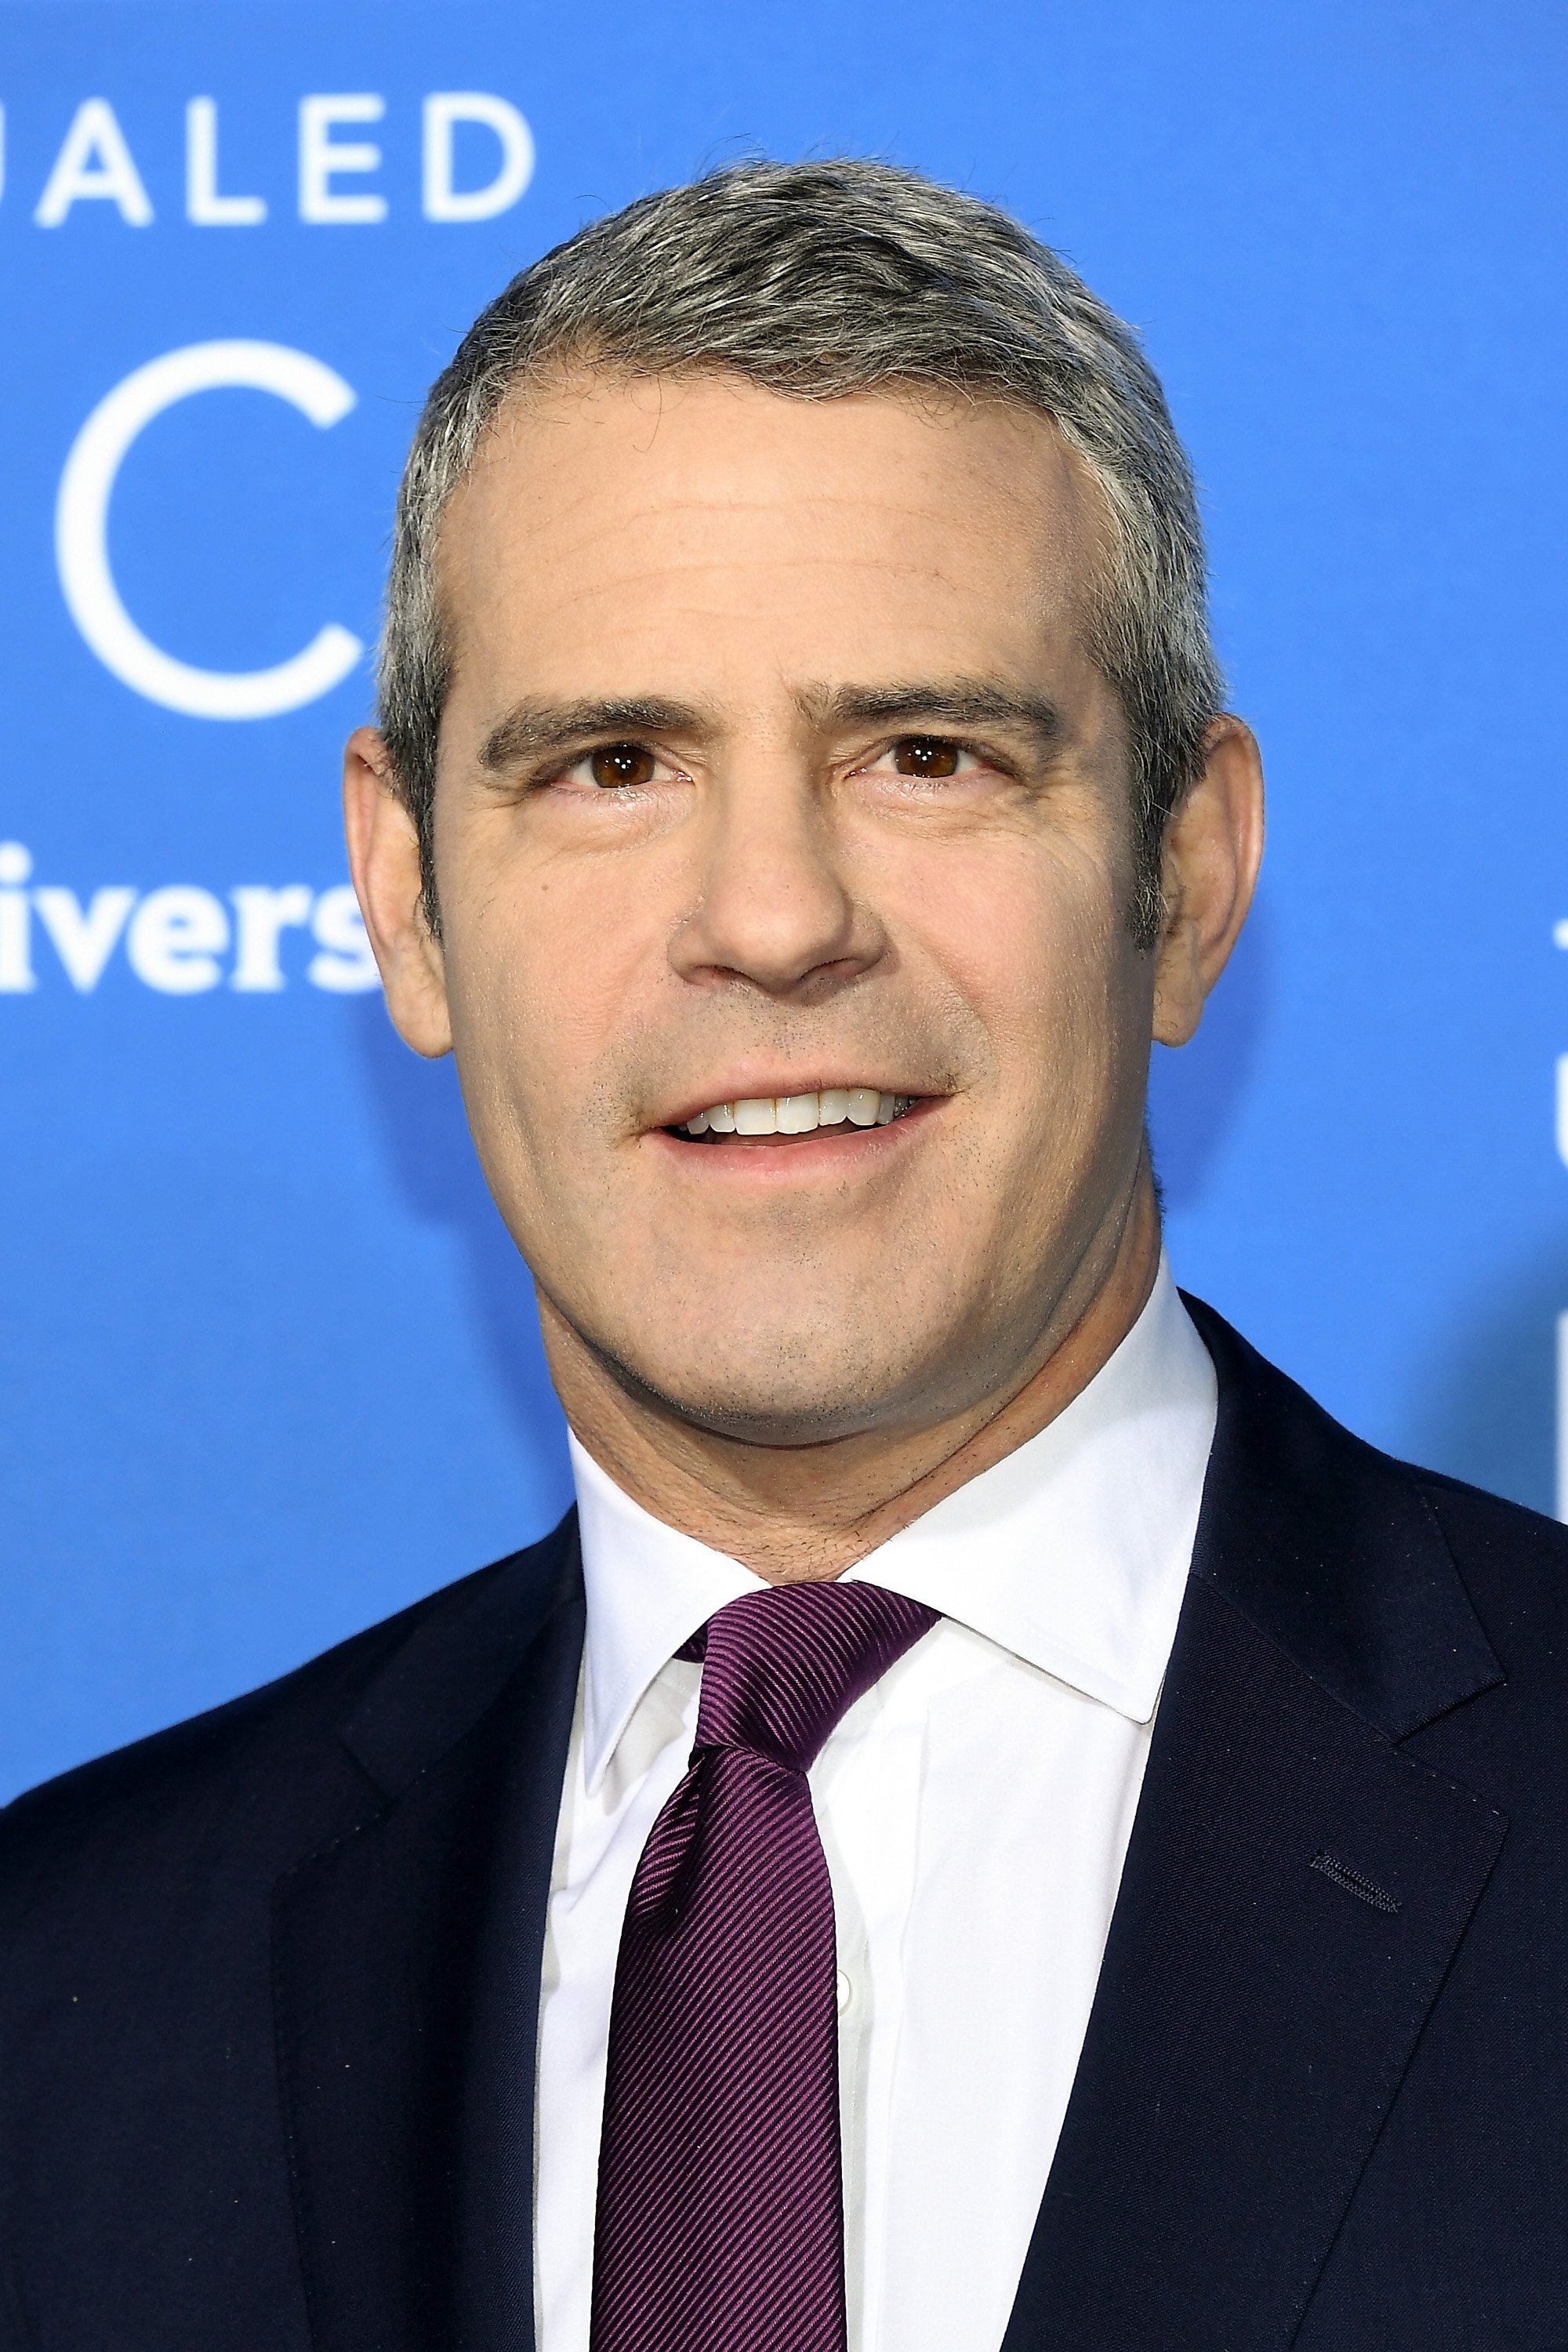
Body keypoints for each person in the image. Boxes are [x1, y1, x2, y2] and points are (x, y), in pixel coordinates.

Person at [2, 158, 1566, 2352]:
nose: (770, 916)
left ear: (1189, 873)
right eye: (613, 764)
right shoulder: (64, 2002)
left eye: (926, 752)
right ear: (404, 894)